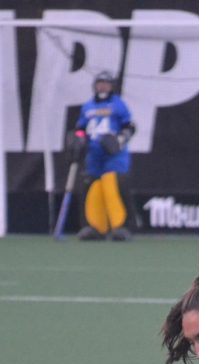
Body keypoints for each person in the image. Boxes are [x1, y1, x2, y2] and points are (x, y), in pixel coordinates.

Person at [69, 70, 135, 242]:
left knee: (111, 186)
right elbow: (81, 129)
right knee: (93, 188)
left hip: (113, 155)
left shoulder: (118, 104)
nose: (102, 86)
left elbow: (129, 127)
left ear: (111, 86)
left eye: (106, 83)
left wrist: (119, 140)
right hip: (94, 154)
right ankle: (96, 227)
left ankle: (121, 226)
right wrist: (79, 140)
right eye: (100, 83)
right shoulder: (88, 106)